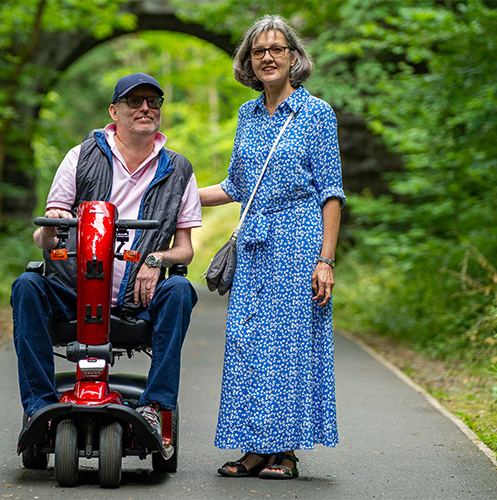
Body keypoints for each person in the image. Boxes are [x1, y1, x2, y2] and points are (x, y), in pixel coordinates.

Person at [11, 73, 201, 440]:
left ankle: (155, 406)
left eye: (153, 101)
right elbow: (45, 236)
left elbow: (185, 248)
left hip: (136, 301)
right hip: (73, 292)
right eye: (134, 101)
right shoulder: (81, 155)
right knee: (26, 287)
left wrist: (154, 261)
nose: (145, 108)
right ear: (114, 111)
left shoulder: (178, 169)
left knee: (179, 289)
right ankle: (39, 407)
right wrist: (51, 229)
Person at [199, 15, 344, 480]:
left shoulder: (316, 114)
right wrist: (168, 189)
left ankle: (284, 451)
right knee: (247, 341)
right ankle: (253, 448)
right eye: (258, 51)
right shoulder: (246, 115)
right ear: (248, 61)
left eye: (276, 49)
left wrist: (326, 259)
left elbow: (331, 193)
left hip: (300, 241)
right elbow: (236, 185)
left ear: (293, 57)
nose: (267, 57)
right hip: (254, 243)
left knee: (287, 346)